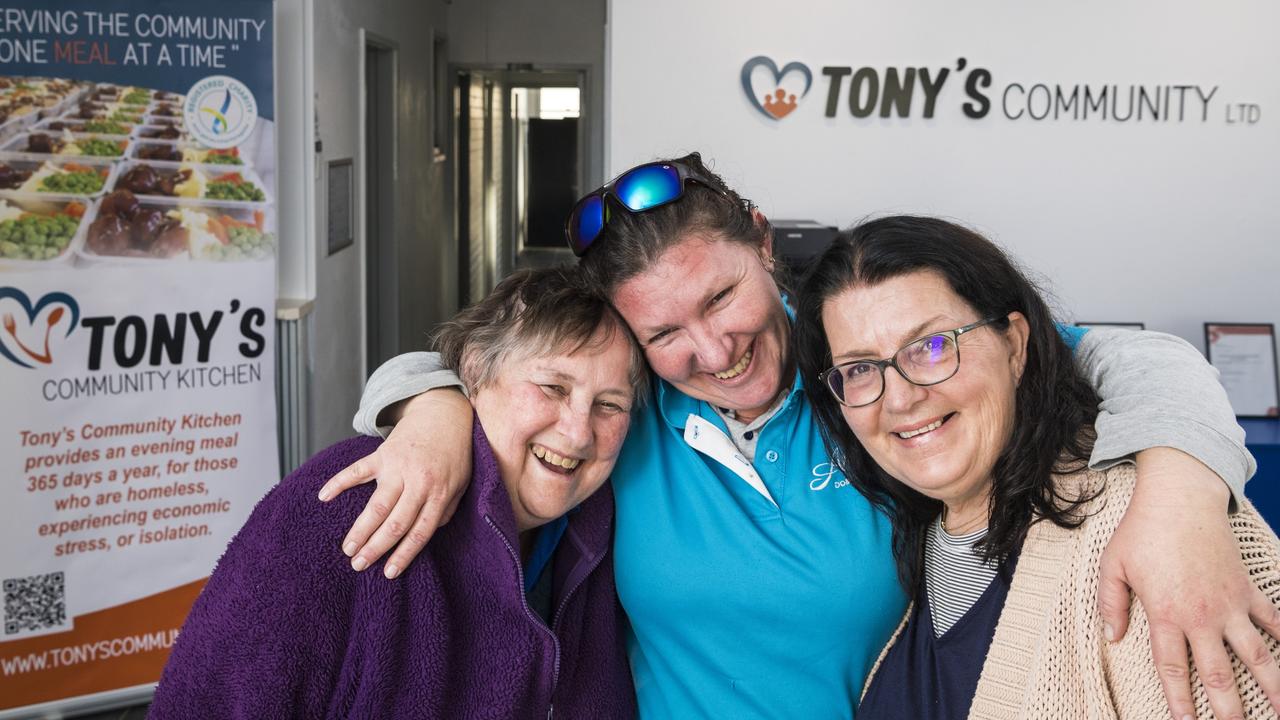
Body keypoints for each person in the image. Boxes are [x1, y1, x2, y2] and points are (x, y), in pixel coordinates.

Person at [322, 153, 1266, 719]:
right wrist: (432, 412)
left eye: (722, 296)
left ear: (764, 245)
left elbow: (1131, 361)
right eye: (663, 334)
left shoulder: (870, 363)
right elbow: (474, 373)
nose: (711, 348)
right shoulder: (622, 412)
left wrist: (1185, 496)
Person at [793, 215, 1280, 719]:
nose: (900, 399)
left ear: (1015, 345)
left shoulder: (1158, 529)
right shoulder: (915, 537)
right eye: (859, 369)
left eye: (932, 346)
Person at [149, 268, 642, 719]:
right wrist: (433, 404)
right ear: (474, 370)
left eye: (609, 404)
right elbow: (207, 699)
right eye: (553, 388)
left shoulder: (605, 532)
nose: (579, 432)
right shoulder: (342, 509)